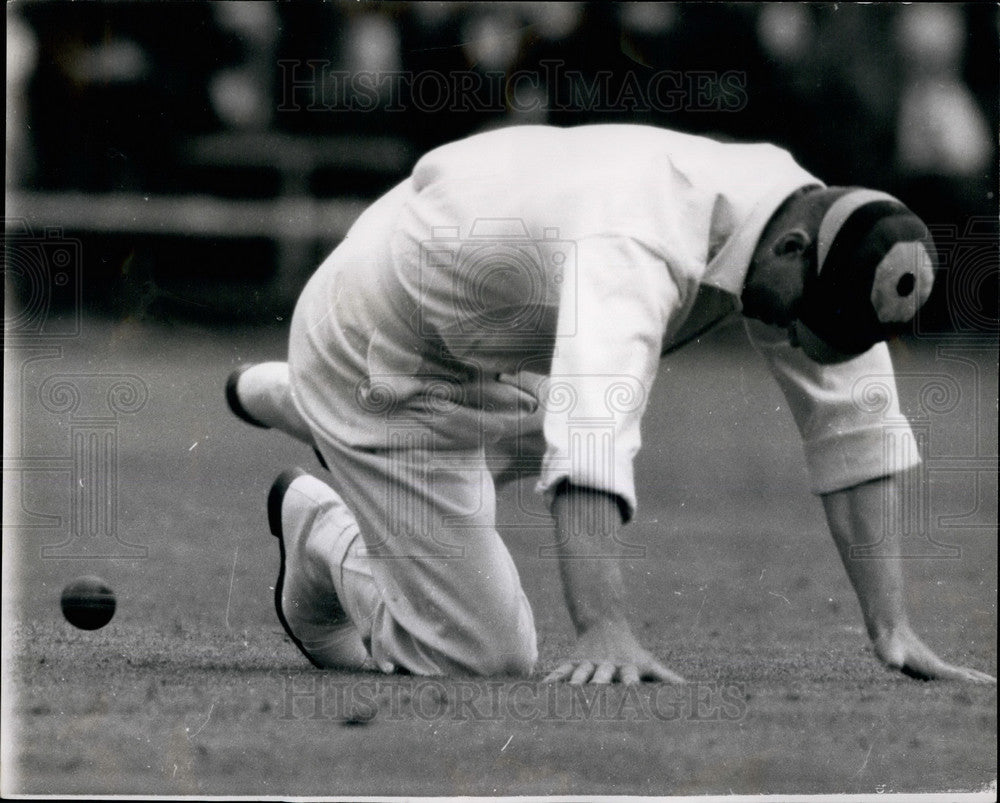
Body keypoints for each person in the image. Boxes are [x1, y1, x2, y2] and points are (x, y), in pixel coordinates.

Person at [226, 124, 995, 684]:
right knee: (484, 656)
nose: (803, 341)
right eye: (809, 323)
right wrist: (603, 626)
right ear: (793, 249)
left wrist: (891, 625)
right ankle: (326, 524)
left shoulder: (791, 206)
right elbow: (589, 431)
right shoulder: (638, 241)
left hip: (492, 342)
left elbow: (851, 418)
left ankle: (308, 406)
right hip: (385, 358)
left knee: (578, 402)